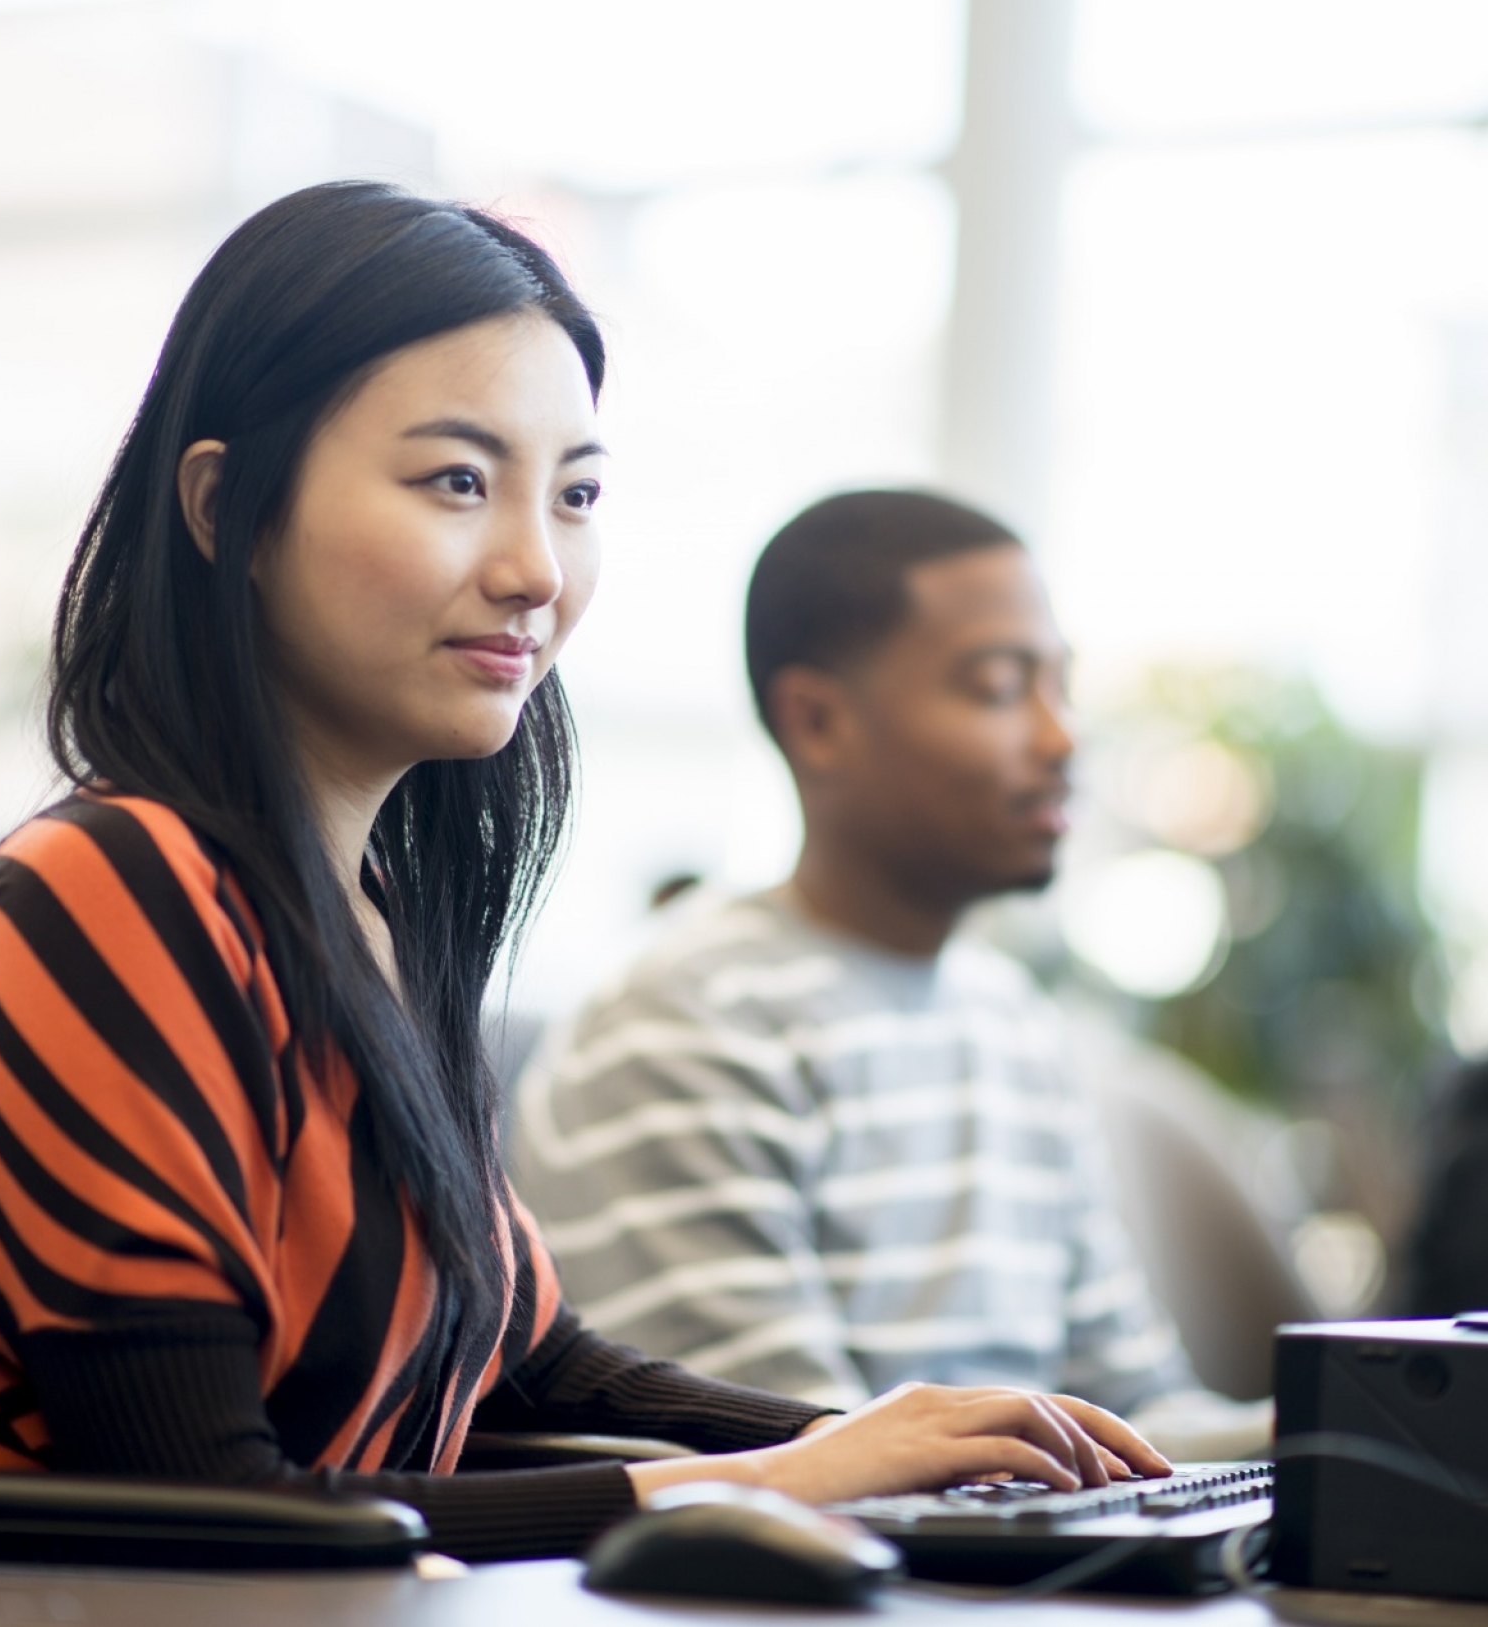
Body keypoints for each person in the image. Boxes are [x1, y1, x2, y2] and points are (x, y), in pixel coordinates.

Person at [0, 187, 1170, 1563]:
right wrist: (786, 1474)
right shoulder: (105, 892)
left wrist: (903, 1443)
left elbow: (539, 1358)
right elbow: (205, 1508)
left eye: (576, 494)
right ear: (228, 505)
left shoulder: (373, 922)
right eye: (457, 480)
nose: (538, 567)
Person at [509, 489, 1266, 1458]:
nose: (1061, 737)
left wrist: (1357, 1436)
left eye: (1061, 688)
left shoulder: (1012, 1022)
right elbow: (804, 1466)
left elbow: (1132, 1423)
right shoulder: (686, 1024)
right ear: (818, 721)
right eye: (999, 688)